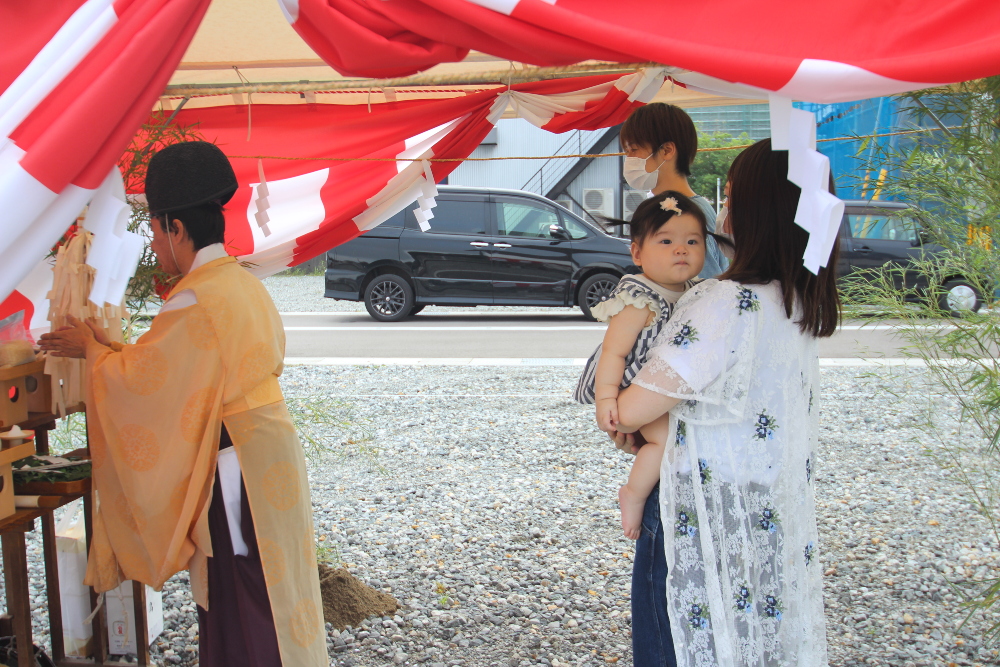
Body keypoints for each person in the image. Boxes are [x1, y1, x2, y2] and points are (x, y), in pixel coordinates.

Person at [39, 142, 326, 666]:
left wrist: (93, 353)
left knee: (242, 592)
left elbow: (149, 384)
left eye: (154, 229)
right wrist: (107, 351)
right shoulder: (240, 283)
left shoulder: (197, 298)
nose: (155, 240)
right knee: (275, 585)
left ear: (175, 228)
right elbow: (179, 372)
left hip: (236, 468)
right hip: (266, 450)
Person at [613, 139, 836, 665]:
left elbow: (631, 410)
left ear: (763, 211)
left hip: (703, 508)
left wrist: (621, 408)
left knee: (685, 642)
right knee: (753, 641)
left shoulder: (725, 301)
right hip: (767, 507)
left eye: (734, 198)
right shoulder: (799, 300)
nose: (725, 211)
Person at [573, 192, 732, 540]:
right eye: (666, 241)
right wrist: (606, 401)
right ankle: (634, 493)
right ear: (637, 252)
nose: (681, 249)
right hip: (632, 383)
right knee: (666, 444)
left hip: (663, 384)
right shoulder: (638, 298)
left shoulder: (698, 289)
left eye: (692, 241)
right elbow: (613, 353)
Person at [620, 103, 728, 280]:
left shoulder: (691, 212)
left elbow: (705, 285)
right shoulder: (663, 206)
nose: (629, 159)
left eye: (633, 150)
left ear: (667, 150)